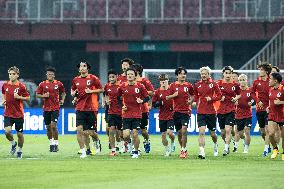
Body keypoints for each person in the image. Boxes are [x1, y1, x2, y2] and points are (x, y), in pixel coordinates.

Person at [71, 61, 103, 158]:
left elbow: (101, 89)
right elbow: (73, 90)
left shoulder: (93, 78)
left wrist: (92, 91)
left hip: (91, 108)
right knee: (80, 130)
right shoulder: (76, 79)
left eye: (84, 66)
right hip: (80, 108)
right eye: (80, 66)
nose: (82, 68)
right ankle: (84, 150)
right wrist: (74, 95)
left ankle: (97, 141)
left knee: (90, 132)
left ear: (87, 68)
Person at [117, 67, 149, 158]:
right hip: (126, 114)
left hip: (137, 114)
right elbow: (118, 98)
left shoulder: (140, 86)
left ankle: (136, 151)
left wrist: (141, 101)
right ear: (126, 76)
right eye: (128, 74)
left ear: (135, 75)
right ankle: (130, 143)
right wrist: (122, 105)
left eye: (131, 74)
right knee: (126, 135)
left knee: (135, 133)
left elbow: (147, 97)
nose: (130, 76)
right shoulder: (122, 86)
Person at [192, 66, 221, 159]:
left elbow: (220, 95)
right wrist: (194, 102)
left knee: (213, 133)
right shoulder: (197, 85)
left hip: (211, 112)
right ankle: (202, 151)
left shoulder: (213, 84)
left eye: (205, 74)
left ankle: (216, 144)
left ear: (209, 74)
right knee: (201, 132)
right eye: (202, 74)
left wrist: (211, 98)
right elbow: (196, 95)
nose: (203, 75)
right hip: (201, 111)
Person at [2, 66, 30, 158]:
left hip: (18, 114)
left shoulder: (21, 86)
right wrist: (4, 100)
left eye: (13, 74)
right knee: (7, 132)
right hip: (8, 113)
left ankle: (20, 150)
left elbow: (28, 98)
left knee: (19, 134)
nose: (11, 76)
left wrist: (19, 97)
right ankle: (13, 144)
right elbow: (3, 94)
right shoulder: (5, 85)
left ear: (17, 75)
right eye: (10, 74)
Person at [166, 67, 194, 159]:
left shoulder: (188, 85)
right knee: (179, 133)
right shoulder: (172, 85)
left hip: (186, 111)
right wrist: (173, 95)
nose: (183, 75)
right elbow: (167, 97)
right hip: (176, 112)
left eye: (184, 74)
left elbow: (193, 95)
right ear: (177, 75)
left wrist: (191, 101)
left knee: (184, 130)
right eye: (181, 74)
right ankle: (182, 148)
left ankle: (183, 149)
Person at [36, 67, 66, 152]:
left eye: (52, 74)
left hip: (55, 108)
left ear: (54, 75)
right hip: (46, 109)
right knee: (48, 127)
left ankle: (56, 144)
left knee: (53, 126)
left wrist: (62, 100)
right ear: (46, 75)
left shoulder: (59, 84)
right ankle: (51, 143)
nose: (50, 75)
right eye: (49, 74)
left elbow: (63, 93)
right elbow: (37, 94)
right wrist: (43, 96)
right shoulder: (42, 84)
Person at [217, 66, 240, 156]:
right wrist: (219, 98)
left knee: (228, 130)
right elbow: (213, 93)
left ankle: (226, 148)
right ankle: (228, 143)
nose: (228, 75)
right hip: (220, 110)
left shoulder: (235, 85)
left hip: (231, 110)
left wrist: (236, 98)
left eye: (229, 73)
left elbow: (239, 94)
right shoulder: (218, 83)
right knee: (223, 132)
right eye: (226, 73)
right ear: (223, 74)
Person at [132, 64, 154, 153]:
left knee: (143, 130)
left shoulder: (144, 81)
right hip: (131, 109)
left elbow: (152, 92)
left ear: (136, 71)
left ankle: (147, 140)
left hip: (143, 109)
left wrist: (142, 92)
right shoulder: (128, 82)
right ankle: (136, 148)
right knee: (133, 130)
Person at [152, 74, 176, 157]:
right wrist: (159, 103)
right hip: (162, 115)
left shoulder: (172, 90)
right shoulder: (157, 92)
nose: (163, 82)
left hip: (171, 114)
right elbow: (153, 104)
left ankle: (173, 141)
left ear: (168, 81)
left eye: (165, 80)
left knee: (170, 133)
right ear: (159, 82)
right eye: (161, 81)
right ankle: (167, 149)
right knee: (163, 135)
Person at [251, 62, 272, 156]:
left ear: (266, 71)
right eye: (259, 69)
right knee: (262, 131)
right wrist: (257, 100)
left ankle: (266, 149)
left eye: (262, 70)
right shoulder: (256, 82)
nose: (260, 71)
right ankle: (268, 145)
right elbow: (252, 93)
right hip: (260, 110)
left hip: (269, 109)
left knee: (268, 130)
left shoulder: (271, 81)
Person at [234, 74, 255, 153]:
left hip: (248, 115)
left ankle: (246, 149)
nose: (242, 81)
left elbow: (255, 100)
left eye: (244, 80)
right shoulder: (236, 91)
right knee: (240, 133)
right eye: (241, 80)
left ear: (247, 80)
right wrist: (234, 102)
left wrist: (251, 103)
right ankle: (243, 140)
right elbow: (232, 100)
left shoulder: (250, 90)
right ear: (239, 81)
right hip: (238, 115)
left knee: (247, 130)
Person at [104, 70, 123, 156]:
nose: (111, 79)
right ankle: (113, 150)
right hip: (111, 111)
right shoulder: (107, 86)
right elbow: (105, 95)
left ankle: (122, 144)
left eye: (113, 77)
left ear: (117, 76)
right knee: (111, 129)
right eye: (110, 77)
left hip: (121, 112)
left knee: (120, 132)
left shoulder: (121, 86)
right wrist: (106, 101)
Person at [267, 73, 284, 160]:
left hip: (282, 114)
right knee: (270, 134)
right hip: (272, 114)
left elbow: (278, 102)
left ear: (275, 80)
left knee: (283, 135)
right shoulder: (270, 90)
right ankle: (275, 149)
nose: (269, 80)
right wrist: (269, 107)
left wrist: (280, 102)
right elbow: (272, 101)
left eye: (270, 79)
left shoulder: (283, 88)